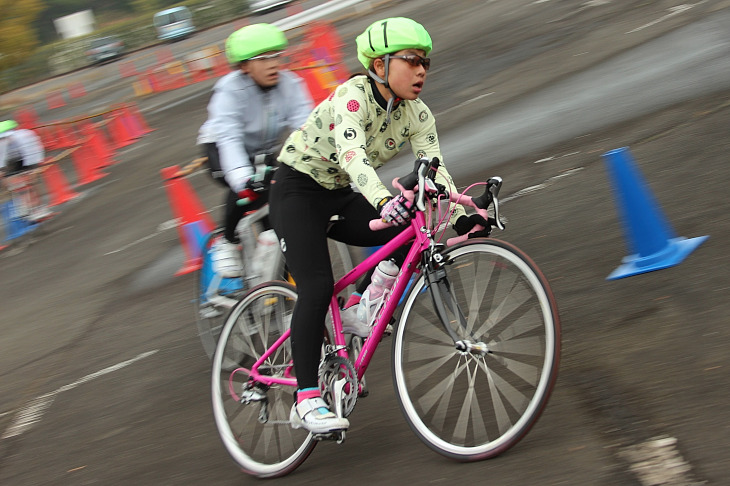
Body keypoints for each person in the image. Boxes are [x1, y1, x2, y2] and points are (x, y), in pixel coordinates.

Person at [268, 17, 490, 434]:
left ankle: (360, 308)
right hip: (296, 189)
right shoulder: (351, 96)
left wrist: (465, 214)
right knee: (315, 286)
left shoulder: (417, 113)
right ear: (379, 64)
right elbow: (353, 157)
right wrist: (386, 201)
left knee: (413, 232)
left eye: (426, 62)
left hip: (338, 193)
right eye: (411, 61)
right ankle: (305, 399)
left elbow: (436, 173)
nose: (422, 70)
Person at [198, 23, 314, 278]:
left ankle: (270, 279)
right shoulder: (229, 90)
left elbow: (307, 129)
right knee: (248, 188)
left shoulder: (290, 84)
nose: (272, 64)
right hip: (220, 146)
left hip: (262, 151)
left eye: (275, 56)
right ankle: (227, 242)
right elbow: (228, 137)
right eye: (262, 59)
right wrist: (243, 179)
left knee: (277, 197)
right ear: (244, 66)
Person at [0, 120, 50, 221]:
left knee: (31, 183)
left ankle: (38, 208)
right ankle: (23, 206)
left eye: (5, 137)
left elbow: (33, 152)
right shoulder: (3, 143)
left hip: (26, 159)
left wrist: (35, 169)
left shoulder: (24, 136)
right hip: (11, 162)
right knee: (15, 186)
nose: (4, 140)